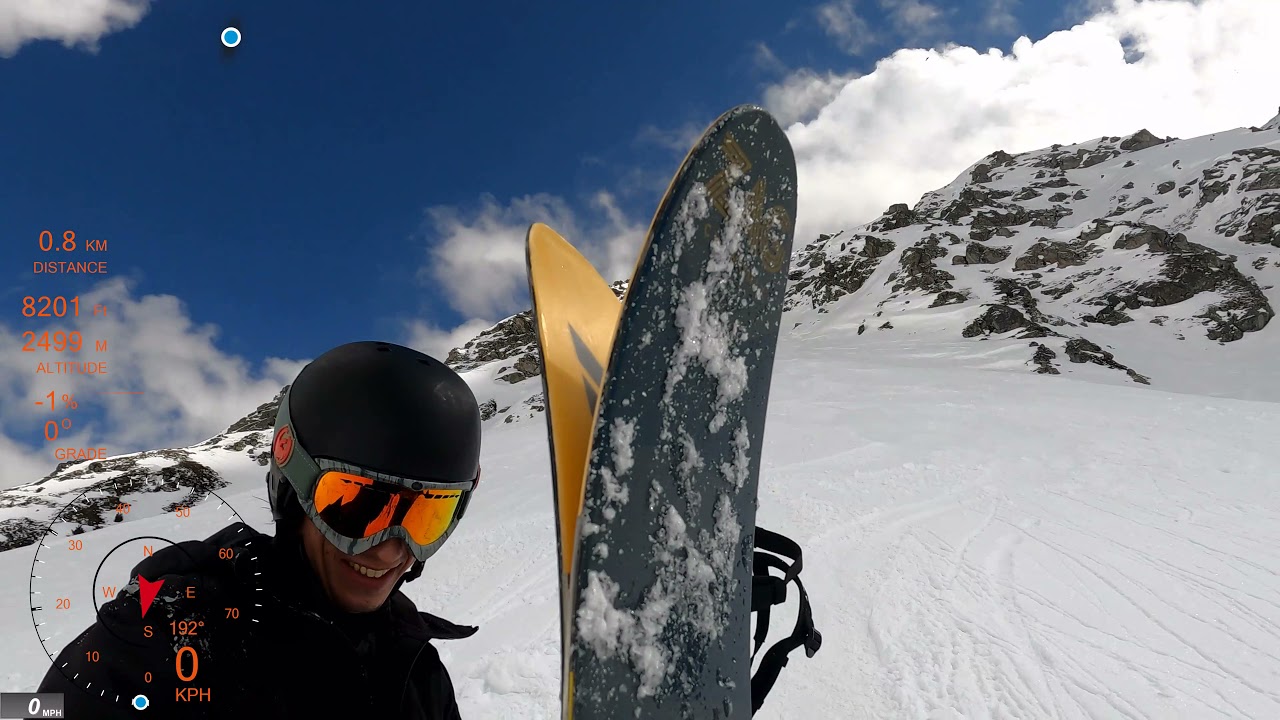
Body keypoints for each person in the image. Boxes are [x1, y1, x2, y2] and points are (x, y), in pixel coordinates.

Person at [38, 341, 483, 719]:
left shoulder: (416, 668)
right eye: (358, 508)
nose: (389, 552)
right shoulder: (173, 633)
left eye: (428, 517)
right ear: (294, 490)